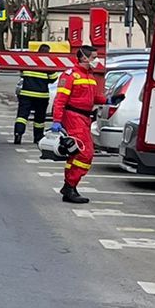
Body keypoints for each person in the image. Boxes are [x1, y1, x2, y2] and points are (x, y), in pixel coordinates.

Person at [50, 44, 104, 204]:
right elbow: (60, 100)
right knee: (85, 154)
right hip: (74, 117)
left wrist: (109, 100)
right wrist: (57, 121)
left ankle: (69, 186)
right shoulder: (70, 76)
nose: (97, 60)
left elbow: (93, 98)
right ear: (83, 58)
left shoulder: (90, 76)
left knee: (76, 154)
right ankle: (70, 186)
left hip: (85, 118)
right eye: (94, 57)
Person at [13, 42, 61, 146]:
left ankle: (18, 134)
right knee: (39, 118)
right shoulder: (48, 63)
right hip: (41, 96)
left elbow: (22, 73)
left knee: (22, 116)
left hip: (26, 94)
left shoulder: (29, 61)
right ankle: (38, 138)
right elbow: (53, 79)